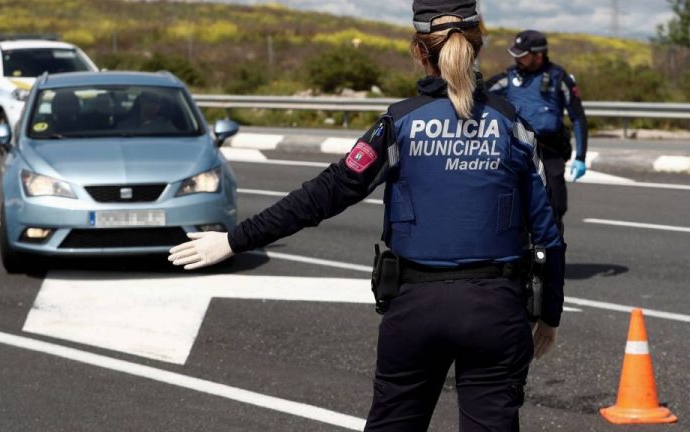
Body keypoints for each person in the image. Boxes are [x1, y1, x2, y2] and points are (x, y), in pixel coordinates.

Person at [168, 1, 565, 430]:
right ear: (478, 43)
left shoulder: (398, 123)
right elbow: (549, 234)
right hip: (496, 310)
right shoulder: (512, 124)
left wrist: (234, 240)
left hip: (415, 309)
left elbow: (325, 194)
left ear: (419, 49)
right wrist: (550, 313)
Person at [485, 30, 588, 234]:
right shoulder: (508, 78)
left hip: (550, 152)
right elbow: (478, 96)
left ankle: (553, 258)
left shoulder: (560, 79)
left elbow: (578, 118)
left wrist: (581, 157)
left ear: (538, 55)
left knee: (555, 207)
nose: (516, 59)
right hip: (518, 152)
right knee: (516, 208)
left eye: (522, 55)